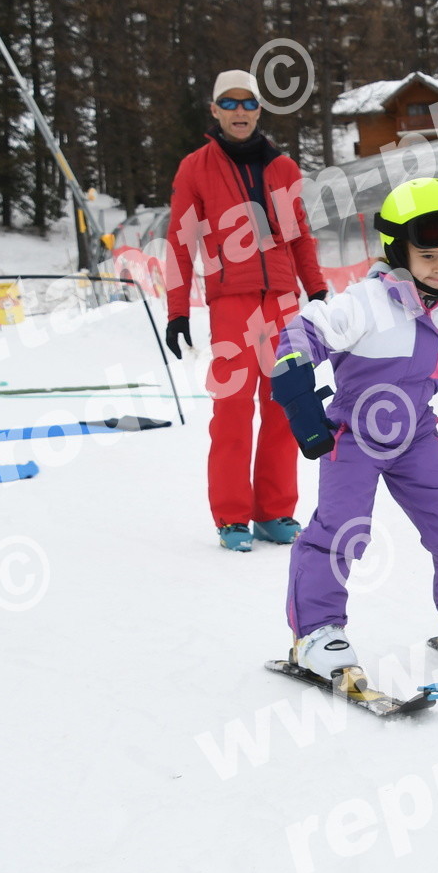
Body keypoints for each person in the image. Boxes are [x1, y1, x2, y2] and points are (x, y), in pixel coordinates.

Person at [270, 177, 438, 689]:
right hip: (354, 434)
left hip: (417, 436)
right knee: (341, 531)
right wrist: (298, 395)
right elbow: (301, 335)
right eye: (429, 256)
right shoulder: (365, 303)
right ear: (398, 252)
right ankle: (316, 634)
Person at [164, 69, 328, 551]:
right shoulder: (195, 168)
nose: (240, 111)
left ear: (260, 109)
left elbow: (300, 236)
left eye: (248, 102)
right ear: (215, 110)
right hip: (231, 301)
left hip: (283, 300)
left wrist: (317, 291)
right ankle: (232, 517)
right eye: (230, 103)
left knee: (285, 404)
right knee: (232, 409)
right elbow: (180, 243)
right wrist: (177, 311)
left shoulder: (283, 168)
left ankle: (274, 512)